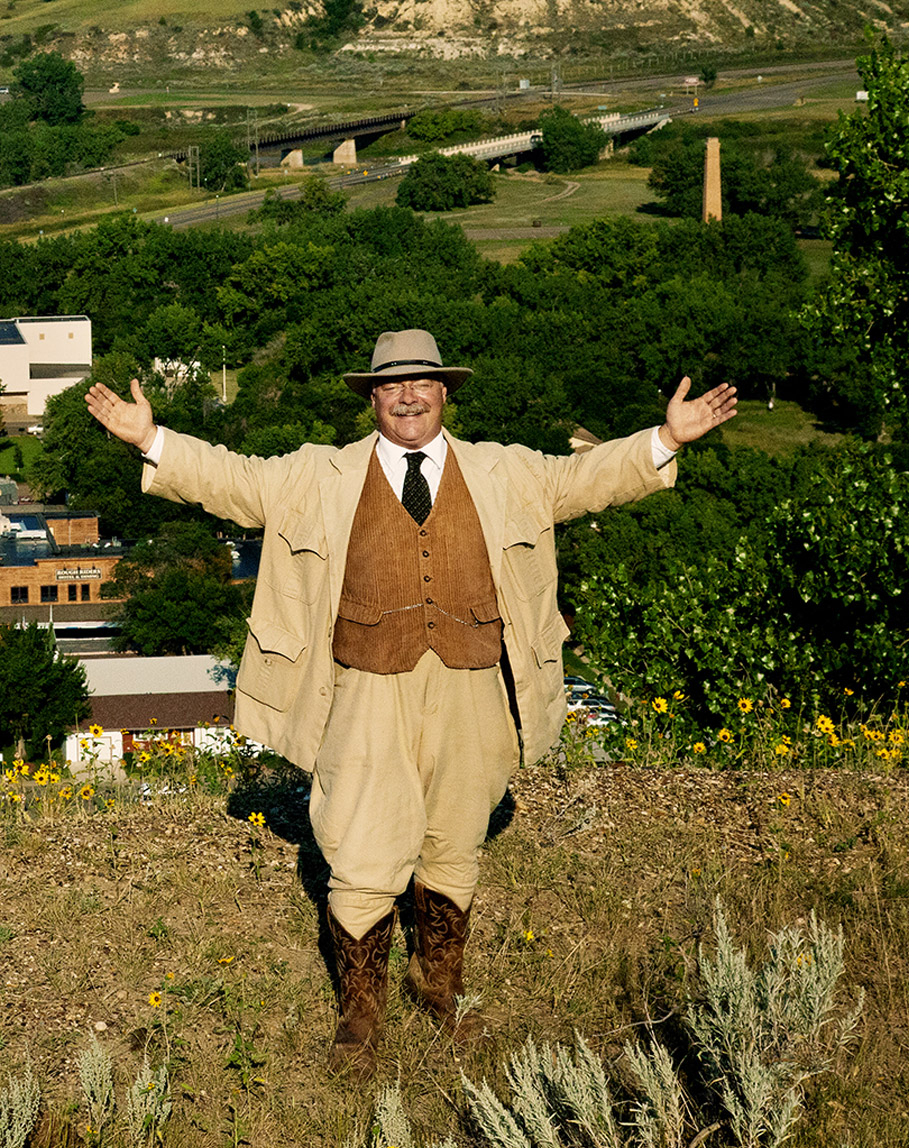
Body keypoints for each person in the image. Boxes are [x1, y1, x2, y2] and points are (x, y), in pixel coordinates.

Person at [85, 329, 736, 1071]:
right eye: (391, 385)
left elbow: (588, 479)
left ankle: (440, 987)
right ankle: (361, 1014)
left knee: (455, 839)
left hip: (474, 683)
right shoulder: (317, 475)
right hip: (364, 685)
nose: (407, 396)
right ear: (372, 399)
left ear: (444, 392)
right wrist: (151, 439)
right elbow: (230, 479)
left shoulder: (506, 471)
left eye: (421, 382)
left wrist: (664, 439)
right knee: (361, 842)